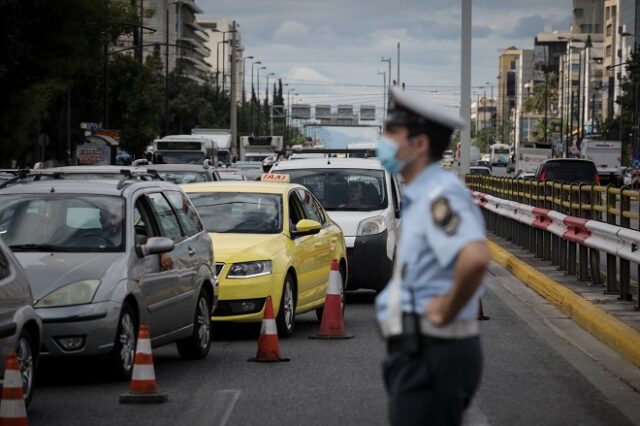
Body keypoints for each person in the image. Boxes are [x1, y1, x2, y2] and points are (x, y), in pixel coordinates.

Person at [375, 87, 490, 426]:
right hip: (419, 352)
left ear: (419, 144)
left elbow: (475, 257)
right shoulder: (421, 192)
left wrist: (446, 309)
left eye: (392, 133)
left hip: (433, 352)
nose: (383, 141)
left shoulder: (438, 194)